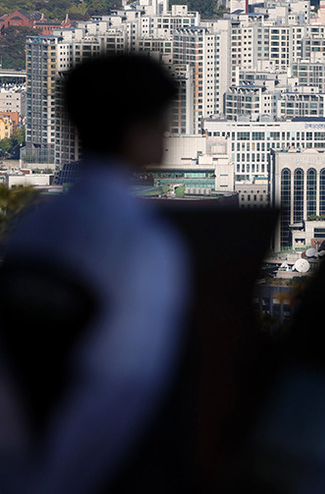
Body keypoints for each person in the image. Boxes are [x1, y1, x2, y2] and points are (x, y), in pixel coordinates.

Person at [0, 53, 191, 494]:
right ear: (140, 130)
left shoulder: (37, 222)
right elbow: (119, 393)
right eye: (163, 120)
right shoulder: (144, 245)